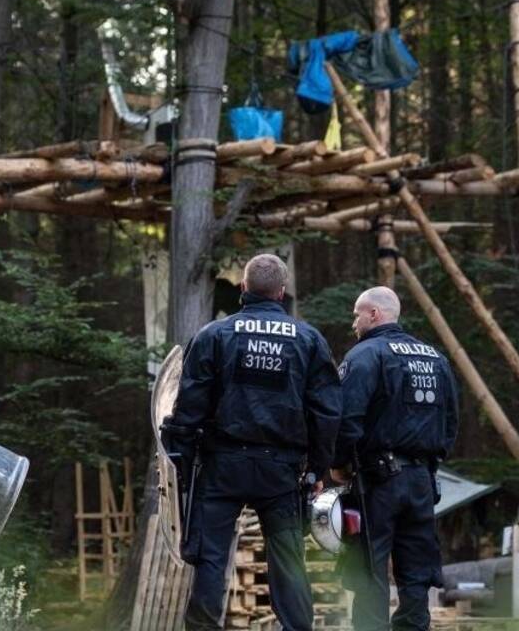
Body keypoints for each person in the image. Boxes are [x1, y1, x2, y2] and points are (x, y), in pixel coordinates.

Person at [164, 253, 342, 631]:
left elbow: (189, 405)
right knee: (288, 559)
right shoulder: (309, 340)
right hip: (281, 471)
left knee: (211, 558)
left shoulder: (215, 334)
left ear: (244, 288)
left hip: (222, 466)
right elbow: (327, 413)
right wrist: (318, 469)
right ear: (281, 292)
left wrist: (181, 458)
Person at [331, 286, 459, 631]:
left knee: (369, 569)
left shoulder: (365, 355)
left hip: (376, 482)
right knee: (417, 571)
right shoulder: (435, 357)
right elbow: (450, 423)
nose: (353, 322)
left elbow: (347, 418)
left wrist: (339, 464)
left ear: (374, 314)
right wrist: (429, 462)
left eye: (357, 314)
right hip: (421, 482)